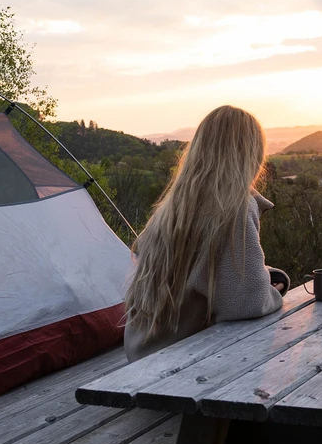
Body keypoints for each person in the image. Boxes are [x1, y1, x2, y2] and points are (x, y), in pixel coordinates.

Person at [123, 105, 289, 361]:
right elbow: (247, 304)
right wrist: (274, 291)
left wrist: (263, 277)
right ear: (251, 156)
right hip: (181, 363)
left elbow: (209, 278)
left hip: (144, 354)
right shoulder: (235, 206)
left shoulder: (172, 208)